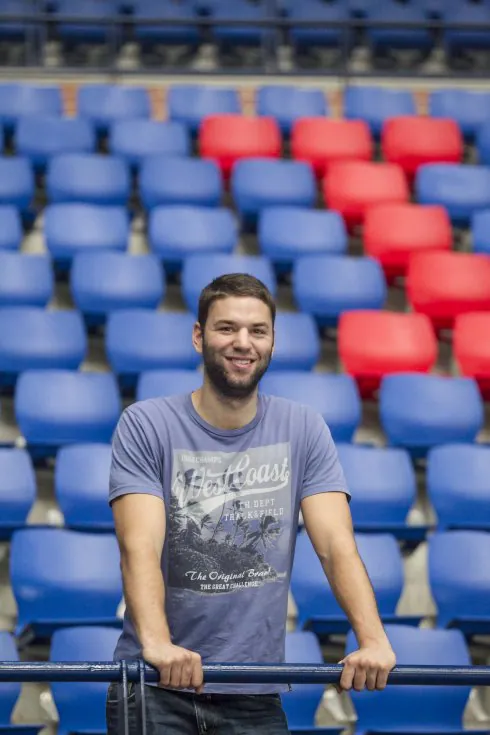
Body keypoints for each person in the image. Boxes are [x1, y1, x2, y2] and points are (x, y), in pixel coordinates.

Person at [106, 273, 396, 735]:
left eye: (257, 331)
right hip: (155, 683)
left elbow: (335, 544)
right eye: (226, 328)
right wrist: (158, 645)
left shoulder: (303, 427)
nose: (243, 342)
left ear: (272, 341)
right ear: (199, 336)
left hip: (254, 689)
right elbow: (138, 546)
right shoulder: (146, 424)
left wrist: (374, 639)